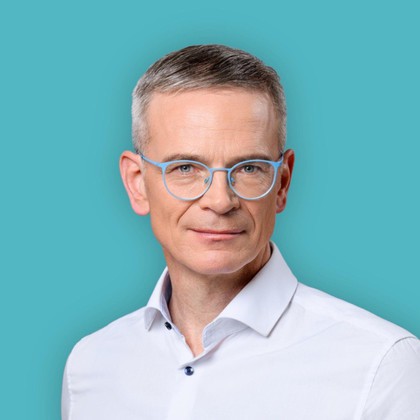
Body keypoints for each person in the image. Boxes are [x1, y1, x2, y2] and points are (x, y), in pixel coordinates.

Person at [62, 45, 420, 419]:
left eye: (249, 168)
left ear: (282, 183)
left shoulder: (381, 366)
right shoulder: (90, 365)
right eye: (185, 168)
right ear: (137, 183)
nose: (220, 201)